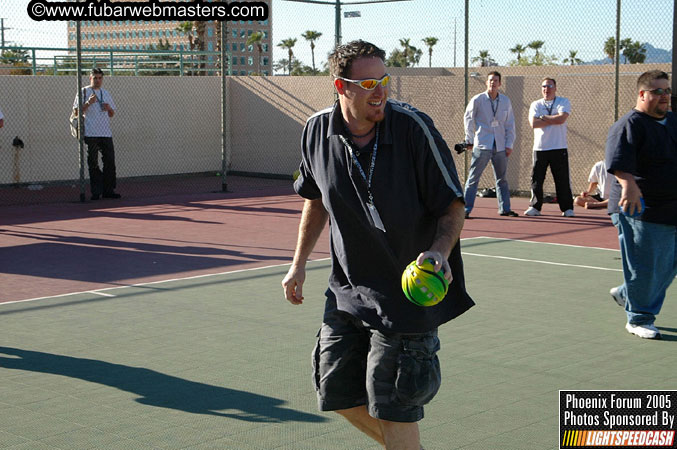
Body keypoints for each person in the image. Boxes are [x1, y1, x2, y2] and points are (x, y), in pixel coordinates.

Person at [281, 40, 474, 450]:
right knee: (334, 391)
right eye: (368, 82)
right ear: (341, 86)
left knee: (393, 406)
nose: (380, 91)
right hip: (348, 290)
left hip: (409, 296)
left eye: (384, 80)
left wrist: (440, 251)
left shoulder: (412, 129)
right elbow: (315, 198)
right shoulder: (317, 132)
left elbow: (453, 205)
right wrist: (297, 263)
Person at [606, 70, 677, 340]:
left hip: (671, 207)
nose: (664, 96)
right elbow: (618, 163)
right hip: (640, 209)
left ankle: (626, 294)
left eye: (667, 91)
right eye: (657, 92)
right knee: (646, 266)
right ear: (642, 94)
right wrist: (629, 185)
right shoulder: (629, 125)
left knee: (668, 265)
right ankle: (638, 318)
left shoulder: (671, 121)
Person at [462, 71, 518, 218]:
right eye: (490, 80)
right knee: (473, 178)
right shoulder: (478, 99)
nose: (493, 83)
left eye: (496, 80)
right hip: (482, 145)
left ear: (500, 84)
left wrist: (509, 144)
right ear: (486, 82)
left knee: (502, 179)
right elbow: (468, 118)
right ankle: (465, 210)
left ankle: (505, 209)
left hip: (500, 146)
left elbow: (510, 124)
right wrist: (470, 139)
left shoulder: (505, 101)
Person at [525, 78, 575, 217]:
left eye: (549, 86)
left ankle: (567, 208)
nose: (546, 89)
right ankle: (535, 207)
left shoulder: (563, 102)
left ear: (555, 88)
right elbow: (534, 123)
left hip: (559, 147)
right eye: (544, 86)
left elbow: (561, 119)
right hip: (540, 149)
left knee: (562, 179)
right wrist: (552, 118)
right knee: (536, 179)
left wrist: (543, 117)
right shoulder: (535, 104)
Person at [72, 68, 120, 200]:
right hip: (90, 132)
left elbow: (112, 114)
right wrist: (88, 103)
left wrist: (109, 108)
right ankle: (96, 191)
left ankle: (108, 190)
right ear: (90, 78)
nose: (98, 81)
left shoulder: (106, 93)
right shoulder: (83, 92)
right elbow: (76, 112)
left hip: (105, 133)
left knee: (109, 162)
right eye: (95, 78)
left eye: (100, 78)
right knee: (93, 162)